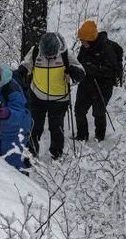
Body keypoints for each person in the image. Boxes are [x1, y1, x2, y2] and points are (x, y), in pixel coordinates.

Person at [17, 32, 85, 160]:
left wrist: (74, 71)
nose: (49, 58)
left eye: (52, 56)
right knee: (34, 127)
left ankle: (56, 154)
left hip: (59, 99)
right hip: (37, 96)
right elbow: (26, 65)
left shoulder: (66, 54)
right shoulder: (35, 51)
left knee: (56, 128)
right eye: (46, 55)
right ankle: (30, 154)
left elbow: (81, 72)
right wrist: (21, 72)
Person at [74, 20, 122, 142]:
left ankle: (99, 138)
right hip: (86, 83)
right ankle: (81, 136)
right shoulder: (85, 48)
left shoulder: (106, 48)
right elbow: (80, 63)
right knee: (79, 110)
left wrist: (93, 68)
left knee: (98, 112)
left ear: (90, 39)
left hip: (103, 86)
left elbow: (112, 71)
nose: (81, 42)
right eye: (81, 40)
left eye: (83, 40)